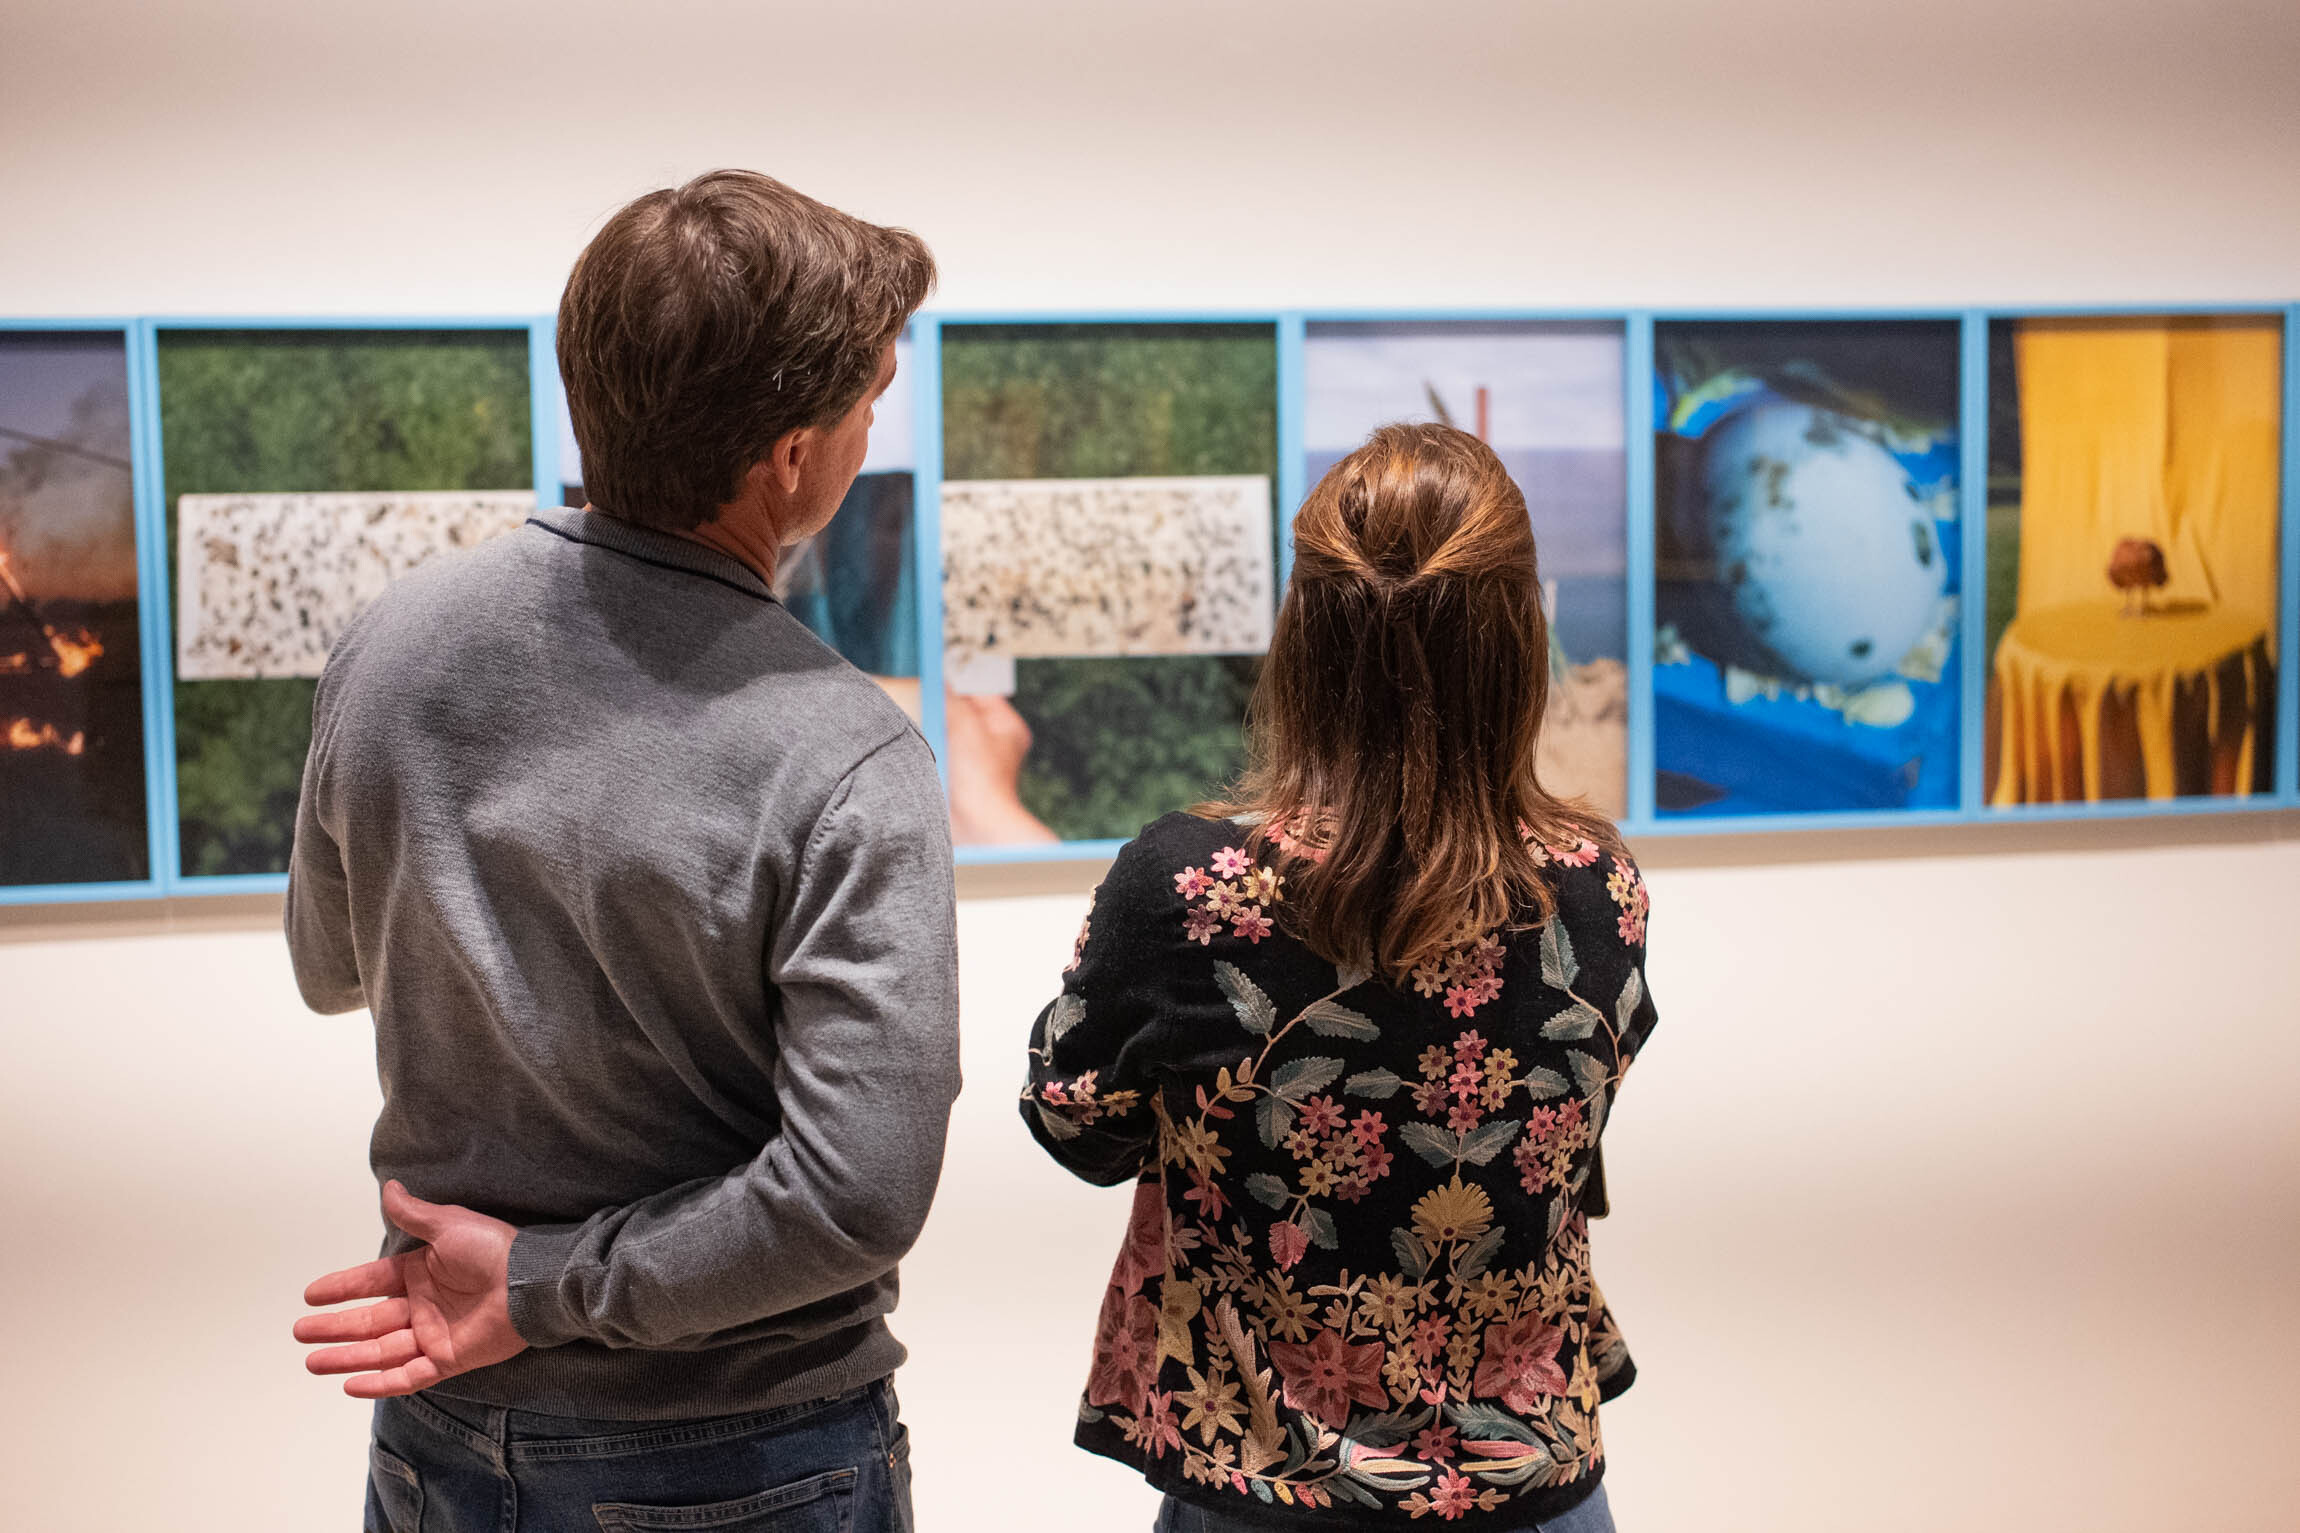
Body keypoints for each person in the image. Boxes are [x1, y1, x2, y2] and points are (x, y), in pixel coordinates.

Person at [285, 170, 959, 1533]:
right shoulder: (843, 747)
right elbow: (856, 1197)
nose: (867, 433)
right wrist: (542, 1287)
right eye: (866, 405)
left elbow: (324, 965)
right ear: (788, 456)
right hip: (735, 1456)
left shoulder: (393, 645)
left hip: (444, 1429)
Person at [1021, 423, 1657, 1531]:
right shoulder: (1596, 883)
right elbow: (1572, 1128)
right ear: (1521, 635)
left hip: (1266, 1489)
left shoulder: (1186, 881)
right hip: (1538, 1490)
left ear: (1302, 635)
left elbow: (1076, 1124)